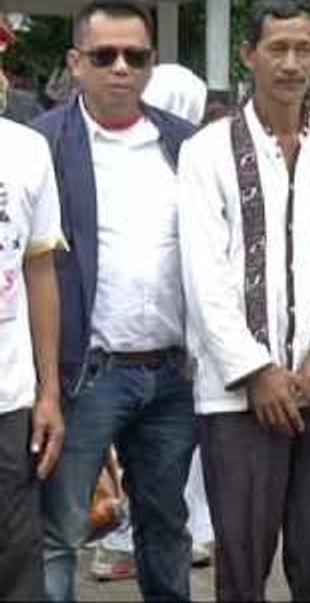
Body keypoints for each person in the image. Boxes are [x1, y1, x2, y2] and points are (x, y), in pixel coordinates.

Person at [178, 0, 310, 601]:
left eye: (303, 49)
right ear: (249, 55)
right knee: (243, 566)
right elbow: (203, 274)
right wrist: (256, 371)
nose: (290, 64)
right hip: (239, 399)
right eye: (277, 49)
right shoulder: (206, 150)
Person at [32, 0, 195, 602]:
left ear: (152, 64)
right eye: (105, 56)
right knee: (60, 532)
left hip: (171, 374)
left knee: (166, 528)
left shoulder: (186, 145)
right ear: (76, 63)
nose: (121, 67)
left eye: (136, 55)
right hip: (83, 376)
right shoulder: (41, 145)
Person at [90, 61, 213, 581]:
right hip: (100, 366)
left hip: (171, 365)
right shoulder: (81, 152)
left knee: (166, 512)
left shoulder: (195, 160)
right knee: (73, 511)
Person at [0, 116, 65, 600]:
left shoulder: (26, 149)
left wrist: (48, 393)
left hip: (9, 401)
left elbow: (39, 272)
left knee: (17, 564)